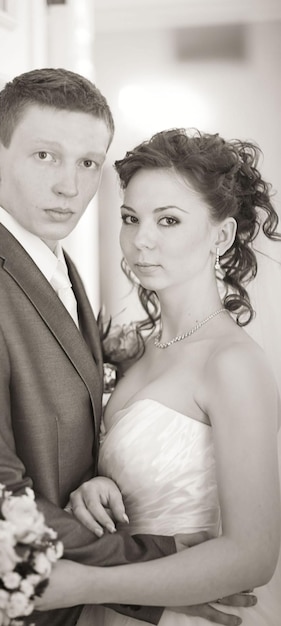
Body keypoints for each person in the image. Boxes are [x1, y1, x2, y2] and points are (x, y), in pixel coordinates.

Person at [0, 70, 252, 626]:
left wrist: (100, 482)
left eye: (88, 162)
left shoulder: (59, 266)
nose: (70, 186)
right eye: (46, 156)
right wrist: (155, 568)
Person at [36, 128, 281, 625]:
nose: (141, 240)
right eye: (131, 218)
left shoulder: (233, 364)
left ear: (223, 235)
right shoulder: (144, 351)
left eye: (168, 220)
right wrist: (95, 486)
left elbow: (253, 555)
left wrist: (87, 582)